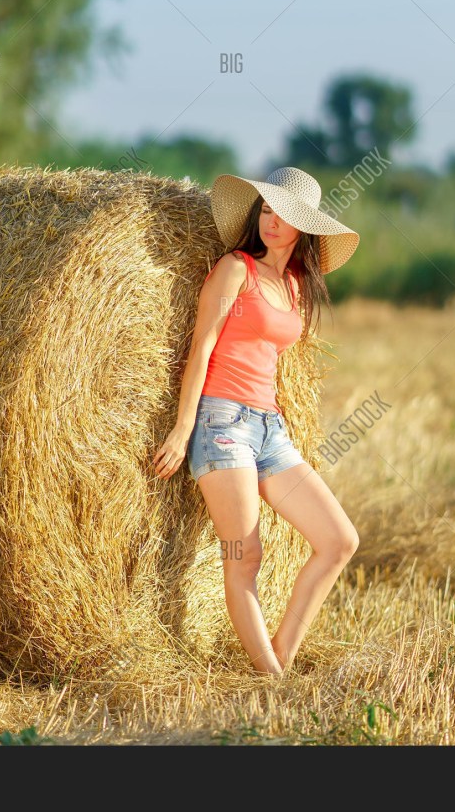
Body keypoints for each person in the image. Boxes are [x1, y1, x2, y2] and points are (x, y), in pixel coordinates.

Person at [152, 166, 361, 675]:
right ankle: (272, 681)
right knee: (245, 555)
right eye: (266, 209)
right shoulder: (235, 268)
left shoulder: (293, 286)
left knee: (339, 542)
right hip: (221, 424)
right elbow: (200, 348)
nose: (272, 221)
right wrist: (182, 430)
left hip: (271, 430)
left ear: (303, 228)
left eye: (284, 215)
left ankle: (280, 657)